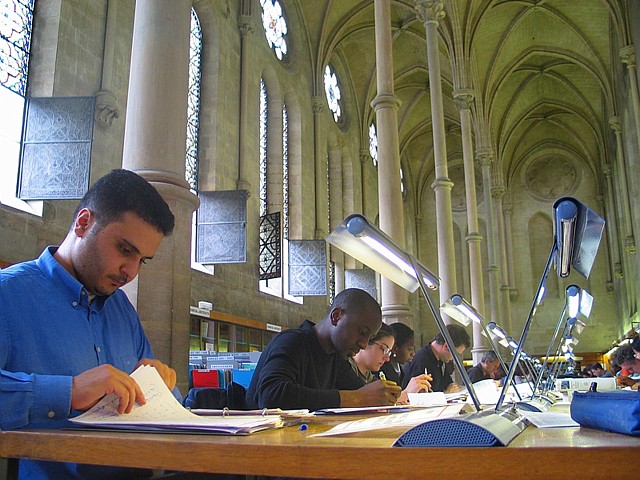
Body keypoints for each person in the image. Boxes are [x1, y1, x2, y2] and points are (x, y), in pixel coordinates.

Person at [0, 169, 177, 479]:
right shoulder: (8, 294)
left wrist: (159, 390)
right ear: (83, 223)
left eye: (142, 260)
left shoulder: (123, 310)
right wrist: (69, 392)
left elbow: (144, 411)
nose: (131, 272)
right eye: (125, 250)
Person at [245, 288, 402, 411]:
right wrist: (354, 398)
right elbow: (270, 396)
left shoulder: (336, 356)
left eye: (370, 338)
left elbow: (363, 391)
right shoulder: (293, 342)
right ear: (336, 316)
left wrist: (384, 394)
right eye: (362, 332)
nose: (363, 344)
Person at [350, 323, 431, 404]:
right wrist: (407, 393)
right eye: (383, 349)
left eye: (388, 352)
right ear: (366, 341)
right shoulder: (347, 370)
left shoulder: (368, 376)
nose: (387, 358)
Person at [403, 323, 471, 393]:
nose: (454, 359)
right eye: (456, 354)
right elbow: (421, 398)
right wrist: (446, 394)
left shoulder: (441, 360)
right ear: (446, 346)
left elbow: (449, 384)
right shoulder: (422, 361)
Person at [379, 322, 416, 387]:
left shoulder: (400, 369)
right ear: (395, 349)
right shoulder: (381, 369)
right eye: (409, 349)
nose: (413, 353)